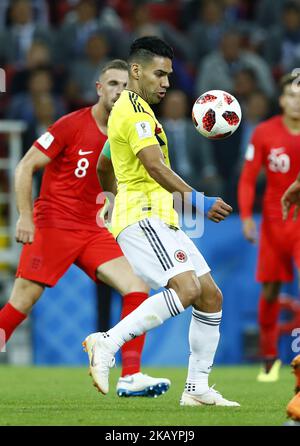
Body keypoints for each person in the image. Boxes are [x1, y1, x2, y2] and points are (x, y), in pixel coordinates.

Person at [83, 36, 240, 407]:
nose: (167, 83)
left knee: (210, 297)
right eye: (160, 74)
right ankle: (107, 342)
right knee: (185, 290)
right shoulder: (135, 113)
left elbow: (105, 161)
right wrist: (199, 201)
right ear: (135, 71)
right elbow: (154, 166)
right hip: (142, 217)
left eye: (168, 75)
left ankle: (196, 390)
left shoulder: (135, 111)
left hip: (158, 217)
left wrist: (108, 197)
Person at [0, 59, 171, 398]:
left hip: (94, 229)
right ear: (99, 88)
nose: (119, 91)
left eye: (126, 86)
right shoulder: (70, 125)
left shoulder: (132, 131)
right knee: (22, 301)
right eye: (112, 84)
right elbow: (25, 167)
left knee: (137, 287)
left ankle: (130, 376)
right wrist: (25, 216)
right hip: (54, 224)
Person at [238, 72, 300, 382]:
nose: (296, 100)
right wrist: (247, 216)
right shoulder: (264, 133)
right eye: (291, 95)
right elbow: (249, 177)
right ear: (281, 100)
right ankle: (268, 356)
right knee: (272, 289)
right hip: (275, 223)